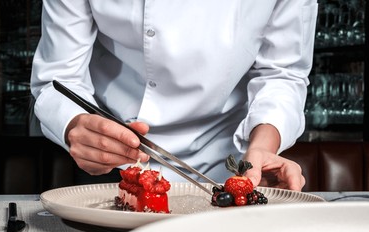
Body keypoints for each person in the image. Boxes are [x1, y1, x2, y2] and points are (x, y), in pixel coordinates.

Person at [31, 0, 318, 191]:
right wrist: (76, 126)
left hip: (229, 162)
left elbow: (283, 72)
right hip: (114, 156)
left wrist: (263, 147)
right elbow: (59, 79)